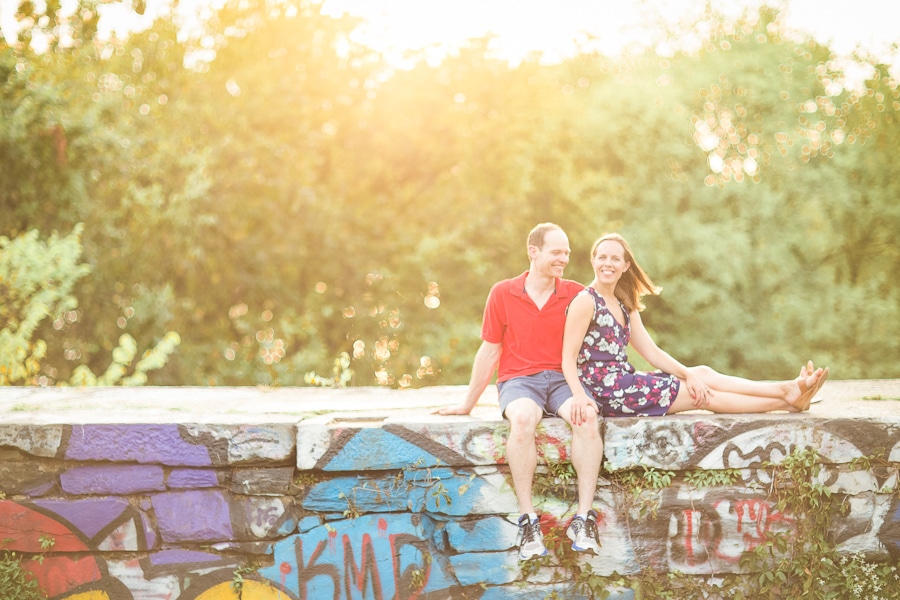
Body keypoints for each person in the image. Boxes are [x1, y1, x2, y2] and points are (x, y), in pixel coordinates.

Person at [433, 223, 605, 560]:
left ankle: (583, 518)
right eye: (557, 252)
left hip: (561, 381)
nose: (564, 259)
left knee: (586, 419)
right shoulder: (502, 293)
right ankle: (528, 521)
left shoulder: (575, 294)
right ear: (534, 252)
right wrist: (467, 404)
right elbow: (490, 351)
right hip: (519, 381)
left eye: (567, 252)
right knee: (523, 419)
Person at [562, 233, 829, 418]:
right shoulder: (586, 302)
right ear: (593, 261)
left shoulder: (623, 304)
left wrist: (688, 374)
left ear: (625, 265)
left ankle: (786, 391)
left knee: (701, 373)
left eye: (615, 259)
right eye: (602, 257)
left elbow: (652, 353)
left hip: (625, 382)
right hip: (605, 392)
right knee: (702, 395)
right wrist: (579, 396)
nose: (608, 263)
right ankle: (786, 398)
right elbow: (568, 359)